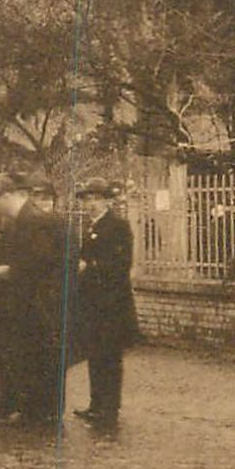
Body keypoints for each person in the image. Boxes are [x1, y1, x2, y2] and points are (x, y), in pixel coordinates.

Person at [0, 173, 79, 426]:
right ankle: (36, 410)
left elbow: (42, 261)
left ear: (6, 196)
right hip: (36, 300)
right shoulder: (25, 220)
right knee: (34, 355)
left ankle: (38, 412)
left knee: (37, 355)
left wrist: (11, 271)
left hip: (39, 301)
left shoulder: (32, 221)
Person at [74, 179, 140, 429]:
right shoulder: (91, 226)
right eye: (87, 199)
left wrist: (89, 268)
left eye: (96, 199)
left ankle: (110, 409)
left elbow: (121, 264)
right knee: (95, 355)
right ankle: (96, 404)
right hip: (94, 304)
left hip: (112, 305)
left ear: (107, 201)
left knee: (110, 358)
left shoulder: (118, 226)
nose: (91, 204)